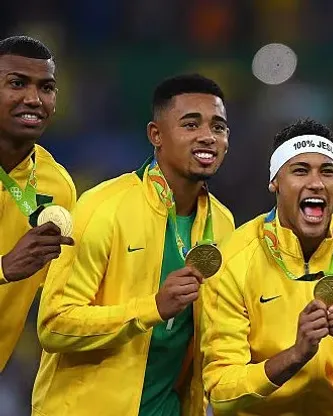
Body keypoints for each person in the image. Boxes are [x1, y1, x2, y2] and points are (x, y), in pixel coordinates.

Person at [32, 74, 235, 416]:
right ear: (156, 135)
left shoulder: (224, 224)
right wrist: (152, 308)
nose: (207, 137)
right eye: (190, 124)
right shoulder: (102, 207)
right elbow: (54, 325)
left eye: (219, 127)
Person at [201, 118, 333, 415]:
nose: (316, 182)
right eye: (300, 170)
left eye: (327, 172)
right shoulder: (234, 259)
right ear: (275, 182)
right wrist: (295, 355)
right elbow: (223, 394)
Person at [0, 35, 76, 373]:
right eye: (17, 83)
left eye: (46, 88)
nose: (34, 99)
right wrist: (3, 268)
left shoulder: (58, 187)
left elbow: (59, 297)